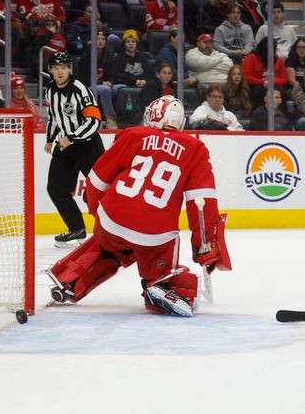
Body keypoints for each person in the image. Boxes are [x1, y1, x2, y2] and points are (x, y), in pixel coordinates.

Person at [46, 100, 230, 316]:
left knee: (107, 246)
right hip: (155, 235)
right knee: (162, 254)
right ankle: (161, 285)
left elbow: (96, 180)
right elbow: (202, 201)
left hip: (112, 220)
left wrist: (98, 213)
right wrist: (205, 245)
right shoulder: (195, 148)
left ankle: (69, 279)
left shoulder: (133, 134)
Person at [43, 50, 105, 247]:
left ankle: (114, 230)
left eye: (64, 67)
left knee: (102, 190)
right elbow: (53, 116)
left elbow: (95, 121)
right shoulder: (50, 90)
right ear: (50, 70)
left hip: (88, 146)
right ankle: (76, 228)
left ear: (70, 69)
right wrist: (50, 139)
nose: (60, 71)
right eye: (56, 68)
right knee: (55, 188)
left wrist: (73, 137)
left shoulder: (80, 89)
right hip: (65, 144)